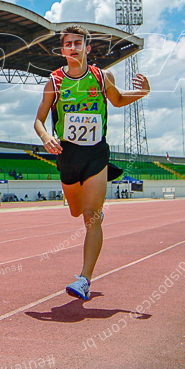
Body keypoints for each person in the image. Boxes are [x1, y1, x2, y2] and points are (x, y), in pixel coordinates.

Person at [33, 25, 149, 301]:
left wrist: (142, 93)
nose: (73, 48)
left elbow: (119, 100)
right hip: (67, 156)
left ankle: (84, 279)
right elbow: (38, 120)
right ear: (62, 51)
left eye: (78, 43)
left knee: (90, 217)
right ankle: (90, 211)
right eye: (68, 44)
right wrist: (46, 136)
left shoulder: (101, 76)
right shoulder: (55, 82)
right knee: (75, 211)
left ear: (87, 48)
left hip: (96, 154)